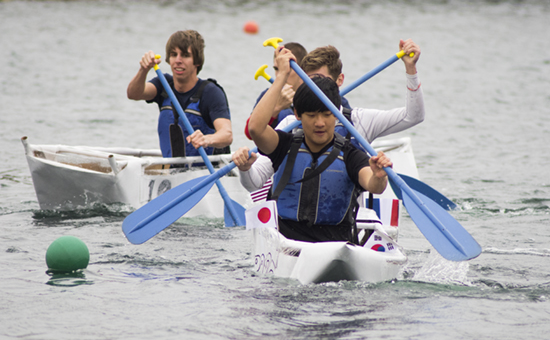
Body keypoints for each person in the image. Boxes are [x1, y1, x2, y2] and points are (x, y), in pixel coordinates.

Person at [234, 40, 423, 192]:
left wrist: (411, 70)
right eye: (309, 81)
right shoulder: (291, 124)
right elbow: (254, 183)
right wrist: (245, 169)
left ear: (339, 80)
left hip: (343, 225)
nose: (315, 88)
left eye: (320, 80)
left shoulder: (359, 122)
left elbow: (413, 116)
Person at [246, 47, 392, 243]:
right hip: (286, 242)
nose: (320, 123)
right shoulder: (284, 144)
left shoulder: (350, 154)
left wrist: (379, 176)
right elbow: (255, 128)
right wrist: (281, 75)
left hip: (337, 245)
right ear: (297, 114)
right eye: (312, 115)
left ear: (337, 114)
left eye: (326, 114)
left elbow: (373, 185)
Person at [127, 30, 232, 158]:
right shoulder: (163, 85)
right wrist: (143, 70)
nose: (178, 60)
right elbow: (133, 94)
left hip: (207, 172)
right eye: (173, 54)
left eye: (185, 55)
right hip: (173, 172)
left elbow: (227, 135)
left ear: (197, 61)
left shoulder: (210, 92)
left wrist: (206, 139)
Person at [244, 42, 307, 139]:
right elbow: (249, 133)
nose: (279, 75)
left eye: (287, 69)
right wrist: (276, 108)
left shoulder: (312, 95)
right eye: (277, 69)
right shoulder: (267, 95)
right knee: (284, 113)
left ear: (302, 70)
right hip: (275, 151)